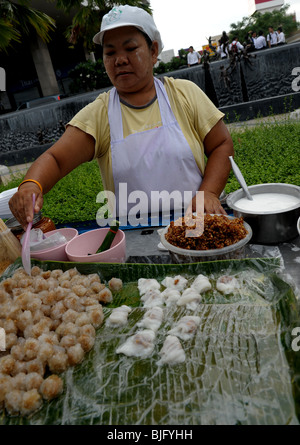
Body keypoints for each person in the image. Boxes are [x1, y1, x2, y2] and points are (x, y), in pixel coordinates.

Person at [9, 4, 234, 229]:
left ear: (153, 50)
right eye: (110, 53)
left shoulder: (184, 94)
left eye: (130, 48)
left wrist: (209, 193)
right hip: (135, 236)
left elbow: (221, 144)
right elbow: (56, 160)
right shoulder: (100, 113)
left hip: (199, 226)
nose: (120, 60)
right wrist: (31, 185)